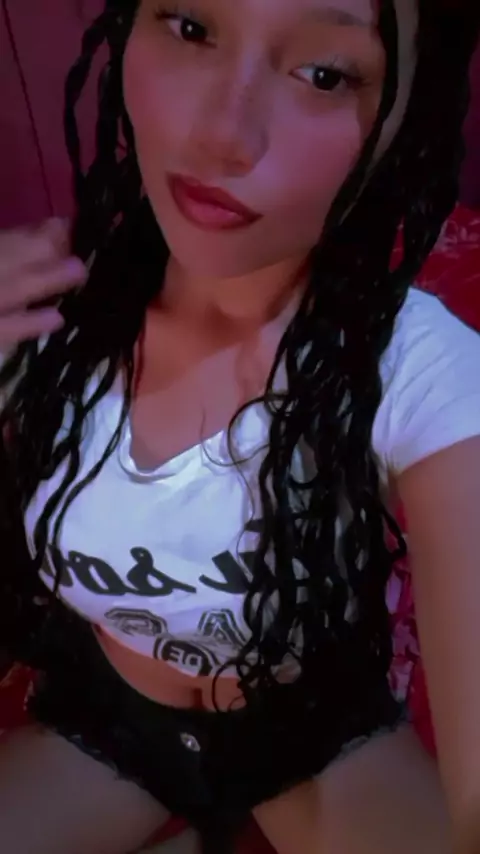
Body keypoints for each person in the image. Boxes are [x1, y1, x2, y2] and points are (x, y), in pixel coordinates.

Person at [0, 1, 479, 852]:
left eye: (325, 75)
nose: (223, 135)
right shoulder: (39, 310)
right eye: (191, 27)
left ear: (405, 116)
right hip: (103, 720)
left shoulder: (422, 372)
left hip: (313, 737)